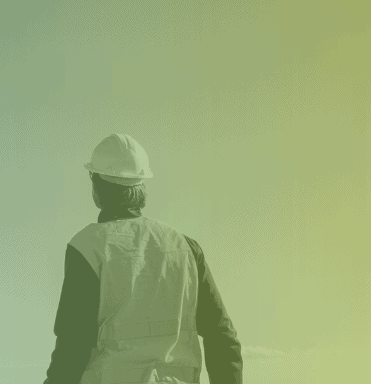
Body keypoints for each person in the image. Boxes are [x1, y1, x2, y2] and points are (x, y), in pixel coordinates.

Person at [44, 134, 242, 384]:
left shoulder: (88, 247)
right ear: (141, 186)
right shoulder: (185, 248)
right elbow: (223, 337)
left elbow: (72, 348)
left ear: (95, 182)